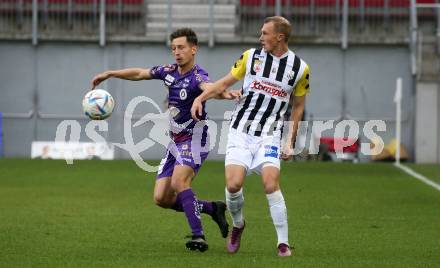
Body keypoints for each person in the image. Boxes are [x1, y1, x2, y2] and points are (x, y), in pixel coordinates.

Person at [91, 28, 235, 252]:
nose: (177, 52)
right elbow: (139, 73)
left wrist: (222, 94)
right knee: (162, 198)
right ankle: (211, 208)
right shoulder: (169, 72)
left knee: (179, 183)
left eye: (181, 48)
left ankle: (198, 236)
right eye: (174, 48)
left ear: (193, 49)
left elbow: (209, 87)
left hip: (195, 138)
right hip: (175, 142)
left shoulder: (198, 76)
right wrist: (110, 73)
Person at [191, 16, 310, 257]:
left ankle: (283, 242)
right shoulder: (250, 57)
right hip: (240, 132)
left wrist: (290, 140)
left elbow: (298, 106)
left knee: (270, 184)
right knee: (233, 185)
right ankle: (238, 224)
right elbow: (224, 82)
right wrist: (200, 98)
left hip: (270, 135)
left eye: (265, 33)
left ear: (279, 37)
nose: (260, 37)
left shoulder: (300, 69)